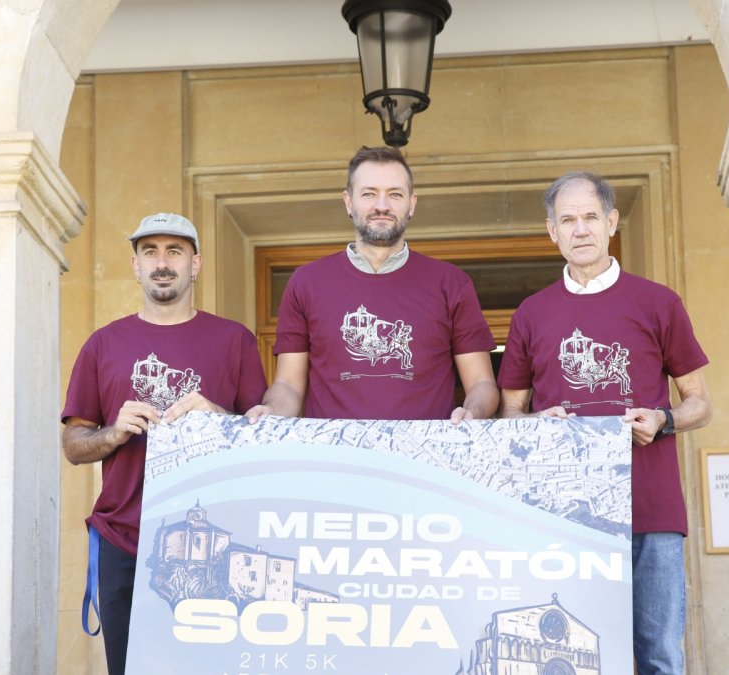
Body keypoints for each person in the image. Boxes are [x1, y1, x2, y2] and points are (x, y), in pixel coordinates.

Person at [497, 172, 713, 675]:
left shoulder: (659, 303)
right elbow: (509, 411)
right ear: (551, 231)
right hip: (563, 515)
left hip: (651, 511)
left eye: (590, 217)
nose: (580, 230)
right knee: (571, 658)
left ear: (612, 222)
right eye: (567, 220)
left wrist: (662, 420)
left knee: (659, 656)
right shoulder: (532, 314)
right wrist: (533, 423)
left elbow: (700, 402)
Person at [60, 212, 267, 675]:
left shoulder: (234, 341)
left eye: (175, 251)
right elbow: (73, 444)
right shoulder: (102, 345)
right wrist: (113, 432)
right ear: (135, 266)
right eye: (149, 251)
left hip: (212, 543)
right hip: (125, 539)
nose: (162, 262)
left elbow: (261, 439)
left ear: (195, 264)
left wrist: (218, 417)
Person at [246, 146, 498, 423]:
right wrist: (271, 411)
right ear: (348, 202)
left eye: (395, 194)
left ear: (412, 203)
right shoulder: (306, 283)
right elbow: (288, 386)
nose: (382, 206)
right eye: (369, 194)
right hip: (336, 459)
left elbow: (481, 384)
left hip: (422, 460)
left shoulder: (451, 284)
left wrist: (472, 412)